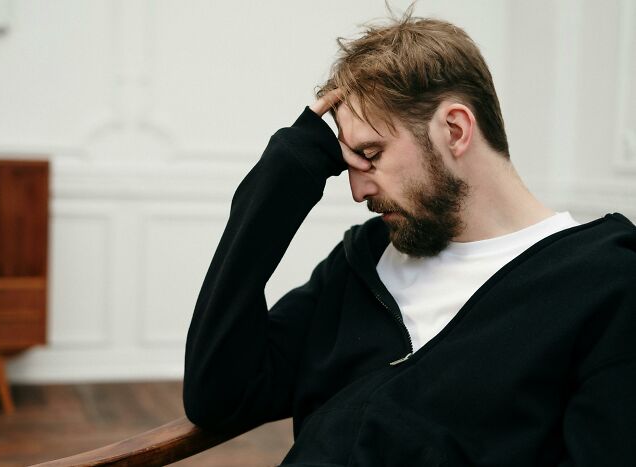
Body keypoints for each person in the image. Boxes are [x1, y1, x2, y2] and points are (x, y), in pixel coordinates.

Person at [183, 9, 636, 467]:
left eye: (370, 154)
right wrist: (281, 180)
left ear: (454, 130)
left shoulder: (604, 284)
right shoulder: (363, 263)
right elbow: (217, 395)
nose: (357, 190)